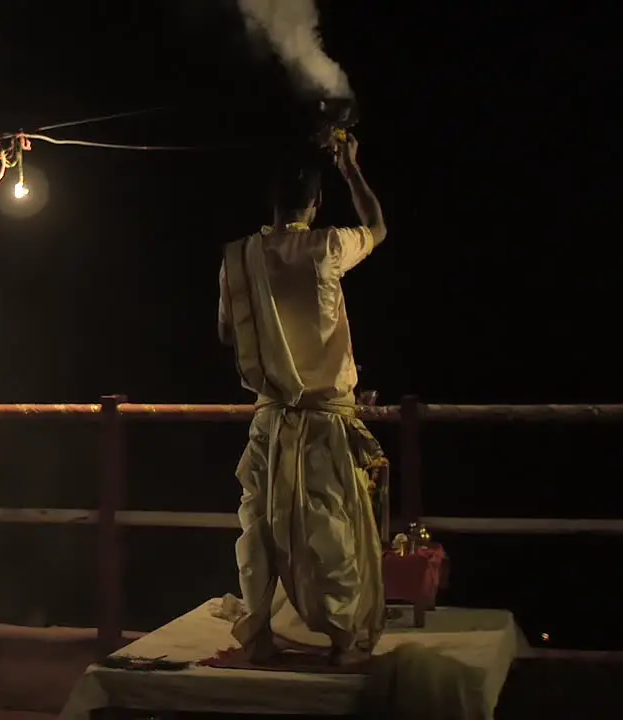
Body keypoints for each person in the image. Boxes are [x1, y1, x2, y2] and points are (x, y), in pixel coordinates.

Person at [217, 133, 388, 666]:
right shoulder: (328, 247)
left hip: (269, 417)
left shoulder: (240, 258)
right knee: (327, 524)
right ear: (313, 206)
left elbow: (230, 335)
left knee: (259, 527)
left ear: (272, 204)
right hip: (321, 418)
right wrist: (352, 169)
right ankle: (342, 643)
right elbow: (379, 228)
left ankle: (259, 635)